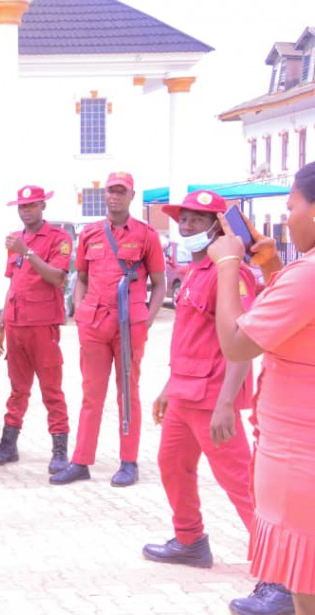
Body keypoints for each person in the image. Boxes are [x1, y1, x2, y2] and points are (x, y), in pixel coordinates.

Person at [209, 162, 315, 615]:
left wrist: (230, 264)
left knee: (307, 585)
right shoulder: (300, 272)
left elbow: (236, 344)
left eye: (291, 207)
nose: (286, 217)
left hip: (300, 454)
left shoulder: (307, 275)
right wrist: (272, 266)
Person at [141, 190, 259, 573]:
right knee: (172, 465)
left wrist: (227, 402)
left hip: (211, 397)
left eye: (197, 220)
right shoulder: (195, 271)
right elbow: (192, 337)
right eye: (183, 219)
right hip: (184, 393)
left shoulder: (231, 273)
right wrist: (168, 387)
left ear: (216, 228)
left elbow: (243, 339)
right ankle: (190, 541)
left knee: (240, 481)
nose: (187, 226)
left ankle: (281, 570)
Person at [51, 171, 165, 488]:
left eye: (121, 191)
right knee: (91, 395)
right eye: (110, 191)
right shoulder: (89, 234)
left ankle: (128, 462)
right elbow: (82, 278)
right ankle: (81, 461)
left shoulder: (146, 235)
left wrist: (148, 318)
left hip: (130, 324)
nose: (114, 196)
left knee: (128, 393)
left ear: (131, 195)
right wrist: (80, 311)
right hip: (94, 323)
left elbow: (159, 283)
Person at [0, 185, 72, 475]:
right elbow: (13, 286)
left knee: (52, 390)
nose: (26, 211)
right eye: (22, 207)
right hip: (16, 326)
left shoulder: (58, 238)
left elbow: (57, 278)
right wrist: (0, 327)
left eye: (32, 206)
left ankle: (60, 450)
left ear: (43, 207)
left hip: (42, 326)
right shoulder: (16, 240)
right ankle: (8, 445)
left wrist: (29, 252)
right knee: (17, 390)